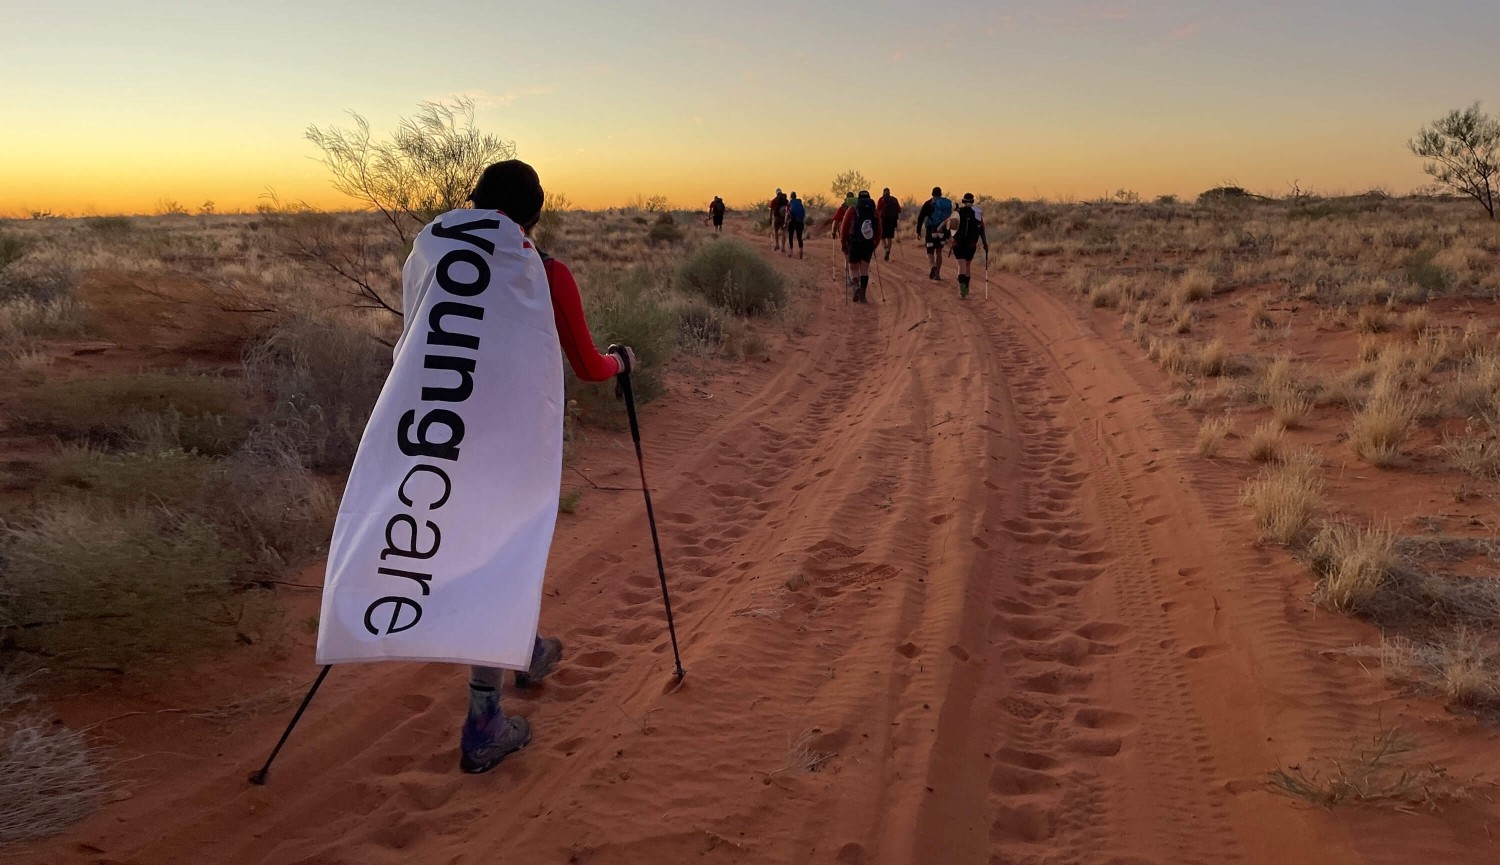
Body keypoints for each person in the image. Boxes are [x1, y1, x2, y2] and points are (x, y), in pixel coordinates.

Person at [454, 160, 637, 773]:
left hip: (437, 441)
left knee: (484, 557)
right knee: (503, 559)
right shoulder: (545, 272)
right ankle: (483, 725)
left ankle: (526, 650)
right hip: (510, 450)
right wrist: (622, 365)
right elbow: (587, 365)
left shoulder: (438, 270)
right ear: (533, 215)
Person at [839, 190, 882, 303]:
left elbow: (844, 227)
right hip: (868, 243)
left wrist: (843, 242)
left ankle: (856, 286)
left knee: (853, 268)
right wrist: (875, 244)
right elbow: (879, 230)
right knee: (864, 269)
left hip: (855, 242)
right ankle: (863, 294)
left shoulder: (852, 209)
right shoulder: (874, 211)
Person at [951, 193, 989, 299]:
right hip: (971, 244)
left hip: (958, 244)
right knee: (967, 265)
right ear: (973, 201)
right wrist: (985, 243)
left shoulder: (957, 212)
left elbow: (950, 226)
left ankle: (962, 288)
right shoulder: (978, 213)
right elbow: (982, 230)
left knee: (961, 265)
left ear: (963, 201)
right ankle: (966, 287)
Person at [915, 186, 954, 281]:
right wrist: (948, 232)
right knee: (939, 251)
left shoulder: (928, 203)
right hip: (942, 231)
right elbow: (950, 218)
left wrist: (918, 231)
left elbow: (920, 217)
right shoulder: (946, 204)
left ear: (932, 194)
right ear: (941, 194)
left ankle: (932, 265)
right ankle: (938, 273)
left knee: (930, 250)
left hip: (931, 230)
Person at [830, 191, 857, 284]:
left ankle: (849, 277)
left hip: (846, 235)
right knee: (857, 256)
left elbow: (836, 221)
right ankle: (858, 277)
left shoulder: (843, 207)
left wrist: (833, 232)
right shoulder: (859, 206)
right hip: (859, 234)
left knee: (847, 256)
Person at [876, 187, 901, 261]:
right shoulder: (894, 200)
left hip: (883, 222)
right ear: (889, 192)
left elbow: (878, 211)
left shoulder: (881, 200)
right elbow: (899, 210)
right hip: (892, 222)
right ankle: (888, 252)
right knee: (889, 238)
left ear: (883, 192)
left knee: (882, 237)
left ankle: (886, 249)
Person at [785, 191, 806, 258]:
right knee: (799, 237)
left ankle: (790, 252)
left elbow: (787, 214)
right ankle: (801, 252)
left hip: (792, 222)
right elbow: (804, 214)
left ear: (791, 196)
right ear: (796, 196)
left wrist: (785, 223)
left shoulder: (789, 204)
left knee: (790, 237)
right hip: (800, 222)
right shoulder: (800, 204)